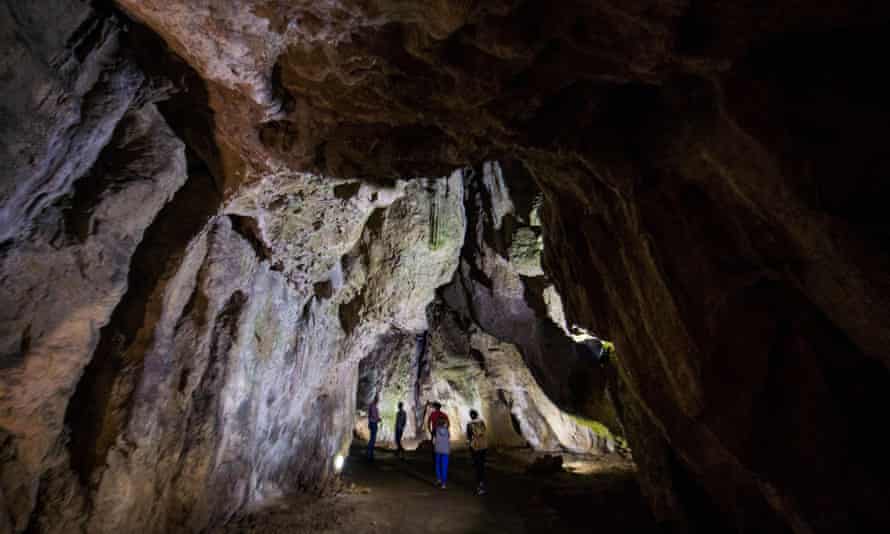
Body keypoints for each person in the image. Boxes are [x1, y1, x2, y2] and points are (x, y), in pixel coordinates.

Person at [466, 409, 488, 495]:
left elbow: (468, 436)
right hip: (483, 446)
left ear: (471, 416)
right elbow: (484, 431)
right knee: (482, 466)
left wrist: (469, 443)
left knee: (477, 466)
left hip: (475, 447)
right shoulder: (481, 422)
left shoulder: (469, 424)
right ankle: (482, 483)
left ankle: (478, 485)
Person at [433, 417, 451, 489]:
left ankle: (438, 479)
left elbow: (434, 440)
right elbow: (448, 438)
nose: (447, 424)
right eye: (446, 423)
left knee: (437, 465)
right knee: (444, 467)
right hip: (445, 451)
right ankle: (443, 484)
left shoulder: (436, 430)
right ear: (444, 424)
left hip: (437, 450)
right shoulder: (447, 431)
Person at [367, 394, 381, 461]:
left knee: (372, 439)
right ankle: (369, 454)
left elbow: (371, 415)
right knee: (372, 439)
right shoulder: (373, 406)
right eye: (378, 400)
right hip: (373, 423)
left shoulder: (373, 406)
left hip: (372, 423)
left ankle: (370, 453)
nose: (378, 401)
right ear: (376, 400)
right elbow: (373, 415)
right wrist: (378, 419)